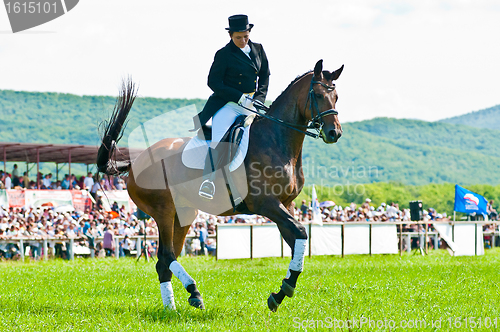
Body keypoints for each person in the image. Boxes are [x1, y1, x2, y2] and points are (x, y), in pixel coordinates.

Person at [196, 14, 270, 199]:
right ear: (230, 35)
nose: (243, 40)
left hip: (252, 104)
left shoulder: (259, 49)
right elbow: (213, 82)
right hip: (228, 104)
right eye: (239, 37)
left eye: (246, 36)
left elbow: (265, 76)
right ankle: (209, 181)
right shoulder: (223, 54)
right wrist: (238, 97)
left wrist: (259, 100)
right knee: (220, 139)